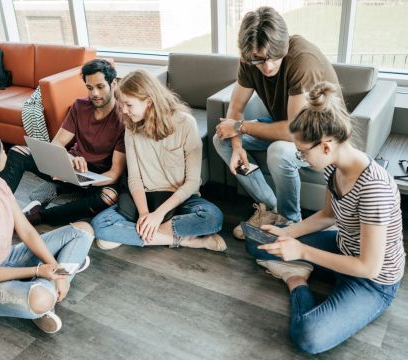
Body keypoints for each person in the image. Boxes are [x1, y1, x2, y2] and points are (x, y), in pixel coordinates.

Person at [246, 82, 405, 354]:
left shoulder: (374, 189)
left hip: (373, 280)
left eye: (303, 152)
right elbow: (328, 216)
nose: (302, 158)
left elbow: (368, 267)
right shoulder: (333, 169)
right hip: (343, 249)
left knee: (309, 337)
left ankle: (296, 279)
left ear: (326, 146)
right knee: (258, 242)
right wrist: (288, 233)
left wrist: (302, 252)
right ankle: (298, 265)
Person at [0, 124, 95, 333]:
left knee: (83, 231)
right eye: (3, 149)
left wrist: (56, 271)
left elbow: (27, 231)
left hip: (8, 258)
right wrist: (40, 270)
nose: (7, 151)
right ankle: (55, 279)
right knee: (42, 299)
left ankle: (55, 276)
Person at [213, 6, 343, 239]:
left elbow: (295, 131)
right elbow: (236, 108)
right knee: (221, 137)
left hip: (320, 136)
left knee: (279, 151)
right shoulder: (249, 59)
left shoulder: (303, 60)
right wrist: (237, 146)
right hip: (284, 125)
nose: (268, 66)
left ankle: (291, 220)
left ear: (283, 46)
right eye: (259, 60)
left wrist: (240, 127)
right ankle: (272, 208)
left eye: (274, 58)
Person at [92, 70, 226, 252]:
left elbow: (193, 182)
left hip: (178, 200)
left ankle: (134, 235)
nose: (123, 110)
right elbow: (135, 178)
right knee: (100, 225)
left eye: (128, 105)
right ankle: (186, 240)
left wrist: (158, 215)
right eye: (122, 104)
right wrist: (145, 214)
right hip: (144, 199)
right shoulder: (131, 127)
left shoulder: (186, 123)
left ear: (148, 101)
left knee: (213, 218)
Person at [0, 59, 126, 226]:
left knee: (109, 197)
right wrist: (67, 159)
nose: (94, 93)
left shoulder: (123, 118)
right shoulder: (80, 106)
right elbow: (57, 142)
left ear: (114, 83)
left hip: (96, 178)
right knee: (17, 152)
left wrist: (85, 180)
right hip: (70, 168)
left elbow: (115, 173)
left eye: (100, 87)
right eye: (89, 88)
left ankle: (40, 216)